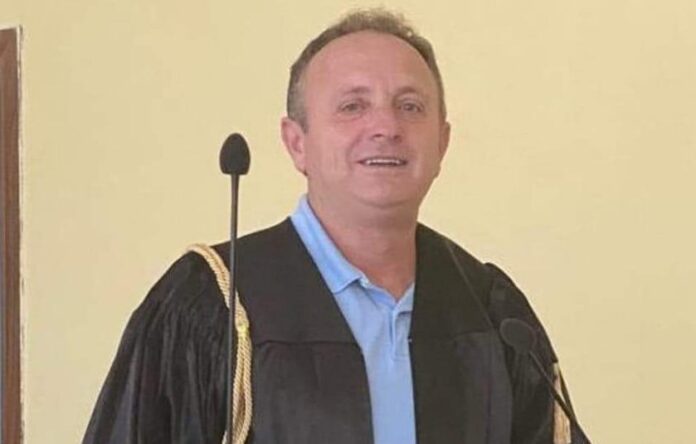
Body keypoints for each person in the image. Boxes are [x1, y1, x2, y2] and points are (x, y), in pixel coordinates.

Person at [84, 8, 586, 444]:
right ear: (296, 143)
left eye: (410, 107)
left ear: (442, 142)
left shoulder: (490, 310)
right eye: (352, 106)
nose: (386, 127)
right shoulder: (214, 303)